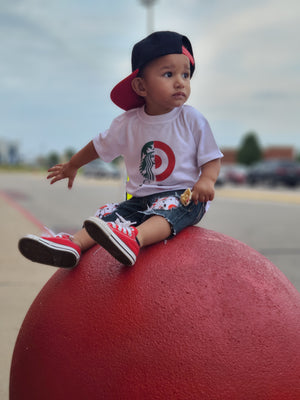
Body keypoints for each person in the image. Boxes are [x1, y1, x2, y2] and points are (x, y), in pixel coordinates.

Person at [18, 31, 223, 268]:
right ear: (141, 86)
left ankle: (135, 240)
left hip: (183, 195)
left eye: (186, 75)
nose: (181, 82)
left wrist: (207, 180)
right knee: (109, 217)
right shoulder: (129, 123)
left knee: (172, 210)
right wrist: (73, 165)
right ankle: (73, 244)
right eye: (169, 74)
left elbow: (211, 157)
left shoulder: (192, 118)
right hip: (139, 199)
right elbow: (98, 145)